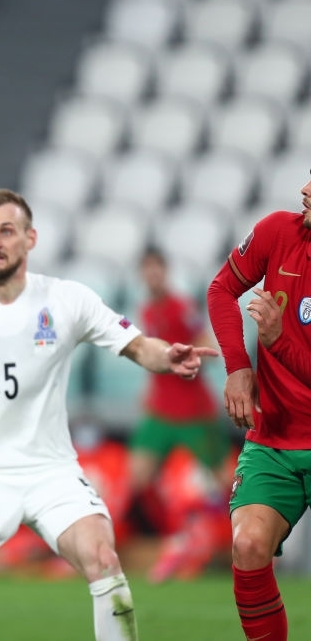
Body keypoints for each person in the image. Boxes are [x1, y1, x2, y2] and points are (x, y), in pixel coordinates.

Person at [0, 189, 217, 641]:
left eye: (6, 231)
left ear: (30, 239)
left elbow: (138, 345)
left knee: (104, 563)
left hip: (51, 472)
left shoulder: (66, 300)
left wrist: (167, 357)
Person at [206, 175, 311, 641]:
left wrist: (279, 343)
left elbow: (284, 344)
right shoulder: (278, 231)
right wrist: (238, 367)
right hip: (276, 439)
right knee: (247, 545)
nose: (306, 191)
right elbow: (221, 290)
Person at [128, 246, 232, 582]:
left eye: (157, 268)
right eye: (148, 269)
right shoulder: (147, 309)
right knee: (138, 475)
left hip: (194, 411)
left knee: (225, 480)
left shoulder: (180, 306)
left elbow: (205, 343)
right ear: (143, 274)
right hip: (160, 409)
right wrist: (148, 390)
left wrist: (192, 358)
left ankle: (242, 543)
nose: (153, 275)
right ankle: (175, 539)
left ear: (165, 271)